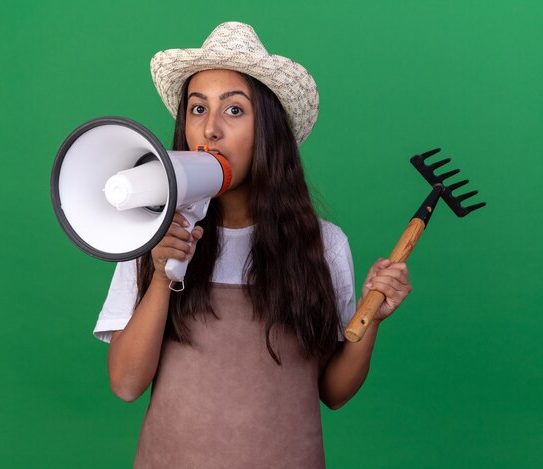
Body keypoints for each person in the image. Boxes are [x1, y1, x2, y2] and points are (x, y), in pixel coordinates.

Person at [93, 21, 412, 468]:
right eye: (197, 109)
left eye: (235, 111)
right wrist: (164, 275)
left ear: (270, 131)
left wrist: (371, 318)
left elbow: (333, 393)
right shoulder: (152, 235)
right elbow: (126, 384)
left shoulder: (323, 246)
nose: (211, 131)